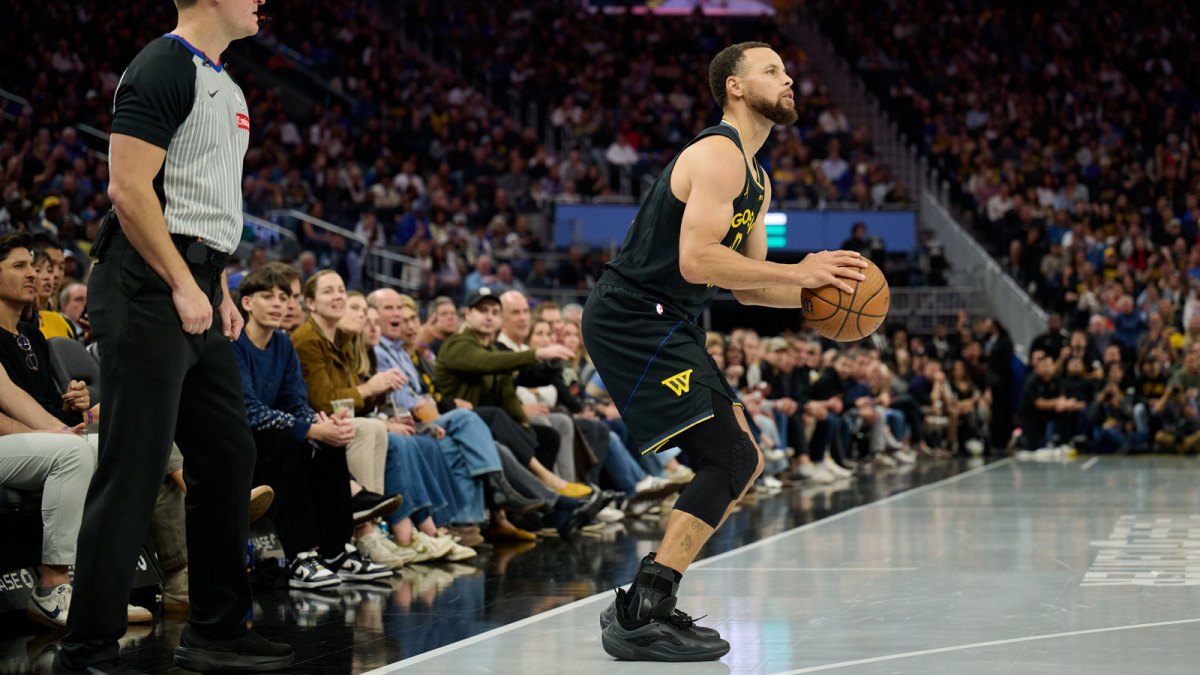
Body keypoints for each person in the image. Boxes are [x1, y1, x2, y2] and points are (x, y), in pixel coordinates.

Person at [582, 42, 867, 661]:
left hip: (669, 318)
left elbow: (748, 282)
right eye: (771, 71)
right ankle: (641, 610)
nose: (787, 80)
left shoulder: (758, 178)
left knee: (746, 460)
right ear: (735, 87)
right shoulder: (717, 154)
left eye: (788, 72)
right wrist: (802, 270)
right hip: (633, 314)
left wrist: (816, 292)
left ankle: (647, 600)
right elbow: (696, 260)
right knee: (731, 455)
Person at [57, 0, 296, 672]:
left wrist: (215, 287)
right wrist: (183, 283)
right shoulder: (163, 64)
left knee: (227, 455)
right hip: (146, 285)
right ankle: (86, 647)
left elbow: (200, 201)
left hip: (197, 280)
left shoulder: (228, 83)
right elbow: (129, 189)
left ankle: (217, 628)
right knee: (133, 464)